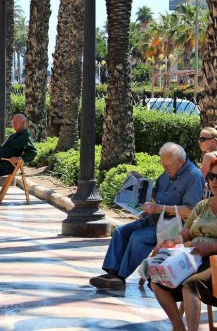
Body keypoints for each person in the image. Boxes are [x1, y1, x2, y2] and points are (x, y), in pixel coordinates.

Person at [89, 142, 205, 290]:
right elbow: (156, 194)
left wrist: (160, 208)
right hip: (155, 218)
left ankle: (120, 277)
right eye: (163, 166)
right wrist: (139, 181)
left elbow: (191, 210)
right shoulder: (168, 172)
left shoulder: (193, 176)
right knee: (120, 232)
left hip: (173, 225)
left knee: (139, 237)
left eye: (167, 166)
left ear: (180, 162)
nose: (165, 169)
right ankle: (112, 272)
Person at [150, 158, 217, 331]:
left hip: (214, 262)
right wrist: (171, 242)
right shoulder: (202, 206)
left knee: (190, 285)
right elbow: (186, 233)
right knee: (157, 281)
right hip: (192, 257)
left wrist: (211, 247)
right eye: (211, 176)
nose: (214, 181)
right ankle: (178, 327)